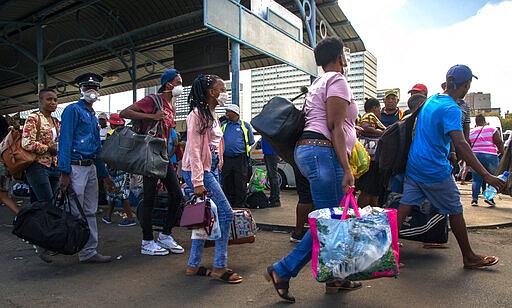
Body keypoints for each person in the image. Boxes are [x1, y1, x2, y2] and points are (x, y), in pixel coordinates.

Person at [265, 37, 361, 303]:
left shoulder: (318, 83)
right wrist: (347, 168)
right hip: (324, 153)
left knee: (332, 220)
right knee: (328, 223)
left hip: (310, 151)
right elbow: (334, 127)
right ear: (340, 57)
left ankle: (336, 278)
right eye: (345, 55)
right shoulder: (337, 80)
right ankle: (282, 270)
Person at [397, 64, 505, 270]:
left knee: (405, 206)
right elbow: (462, 142)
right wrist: (487, 175)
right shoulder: (451, 108)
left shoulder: (431, 101)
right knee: (455, 209)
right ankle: (469, 257)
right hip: (434, 169)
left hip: (415, 164)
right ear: (465, 85)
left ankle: (387, 251)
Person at [182, 74, 242, 284]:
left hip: (211, 168)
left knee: (203, 214)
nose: (224, 93)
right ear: (211, 92)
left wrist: (220, 161)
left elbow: (216, 143)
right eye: (221, 89)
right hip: (199, 171)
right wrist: (198, 182)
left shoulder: (211, 113)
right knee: (225, 213)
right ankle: (219, 266)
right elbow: (194, 151)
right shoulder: (197, 115)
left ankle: (193, 265)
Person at [119, 68, 185, 256]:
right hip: (150, 156)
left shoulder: (170, 104)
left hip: (162, 156)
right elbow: (125, 112)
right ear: (169, 84)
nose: (181, 86)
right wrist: (152, 116)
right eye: (178, 82)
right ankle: (147, 240)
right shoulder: (153, 101)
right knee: (149, 197)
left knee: (176, 195)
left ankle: (165, 235)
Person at [58, 72, 116, 264]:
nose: (91, 91)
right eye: (87, 88)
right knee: (74, 211)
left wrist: (104, 175)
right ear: (80, 90)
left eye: (95, 88)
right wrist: (64, 171)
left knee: (89, 211)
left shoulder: (92, 115)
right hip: (75, 167)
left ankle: (88, 251)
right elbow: (64, 141)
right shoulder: (72, 110)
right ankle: (51, 243)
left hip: (90, 167)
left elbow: (97, 148)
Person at [21, 88, 61, 262]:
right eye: (49, 99)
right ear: (40, 101)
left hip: (53, 167)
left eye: (55, 99)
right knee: (47, 205)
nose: (52, 102)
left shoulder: (56, 121)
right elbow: (27, 142)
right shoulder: (34, 118)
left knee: (43, 204)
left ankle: (38, 240)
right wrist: (48, 148)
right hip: (38, 166)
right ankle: (43, 243)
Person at [101, 114, 137, 227]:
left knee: (121, 194)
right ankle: (108, 216)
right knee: (113, 192)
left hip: (116, 168)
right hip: (122, 167)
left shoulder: (111, 135)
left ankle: (130, 218)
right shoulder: (128, 135)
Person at [221, 103, 255, 208]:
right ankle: (230, 203)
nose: (226, 113)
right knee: (228, 181)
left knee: (240, 181)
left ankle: (240, 204)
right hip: (226, 158)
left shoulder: (245, 126)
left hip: (240, 158)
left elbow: (251, 141)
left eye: (228, 111)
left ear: (235, 113)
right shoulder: (223, 125)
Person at [469, 114, 505, 207]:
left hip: (475, 156)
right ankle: (489, 198)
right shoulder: (492, 129)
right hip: (490, 155)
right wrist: (502, 153)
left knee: (476, 179)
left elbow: (468, 145)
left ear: (476, 122)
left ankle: (474, 199)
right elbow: (499, 142)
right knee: (492, 177)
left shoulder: (471, 132)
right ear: (484, 121)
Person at [356, 98, 386, 207]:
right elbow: (365, 127)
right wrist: (383, 133)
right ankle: (361, 214)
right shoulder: (369, 116)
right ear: (375, 108)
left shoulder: (371, 118)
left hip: (373, 160)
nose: (380, 112)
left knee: (374, 192)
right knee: (368, 191)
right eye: (379, 108)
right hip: (370, 160)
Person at [289, 165, 314, 243]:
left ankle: (299, 231)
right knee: (306, 196)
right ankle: (298, 232)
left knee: (307, 196)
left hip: (301, 161)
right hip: (307, 163)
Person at [0, 115, 18, 214]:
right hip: (6, 166)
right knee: (4, 196)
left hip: (1, 167)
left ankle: (21, 216)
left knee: (3, 197)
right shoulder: (6, 139)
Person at [261, 138, 280, 207]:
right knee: (271, 176)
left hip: (271, 153)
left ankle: (276, 200)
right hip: (268, 152)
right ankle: (273, 198)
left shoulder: (270, 128)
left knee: (273, 177)